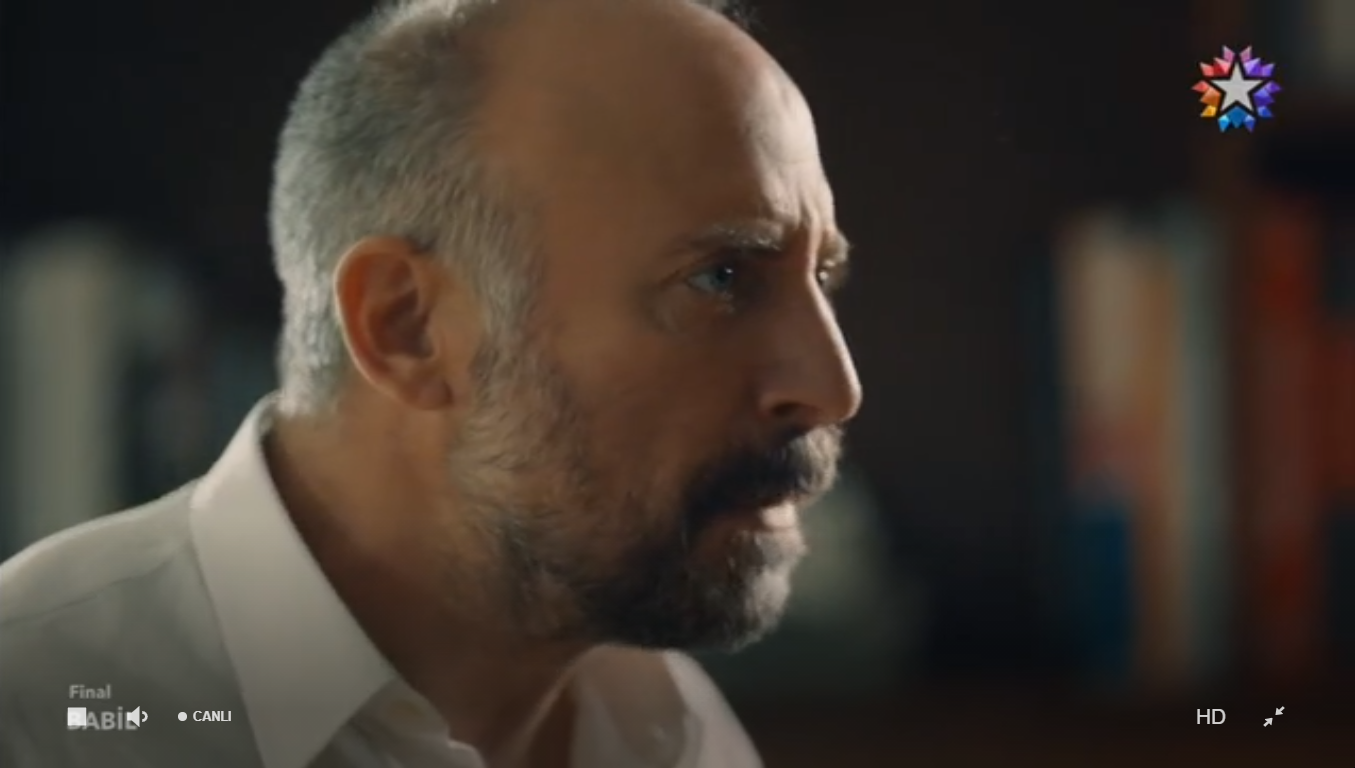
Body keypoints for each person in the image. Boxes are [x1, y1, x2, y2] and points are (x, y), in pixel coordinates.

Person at [0, 0, 861, 764]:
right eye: (719, 278)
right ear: (406, 326)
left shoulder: (663, 725)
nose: (833, 387)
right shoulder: (41, 711)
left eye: (820, 276)